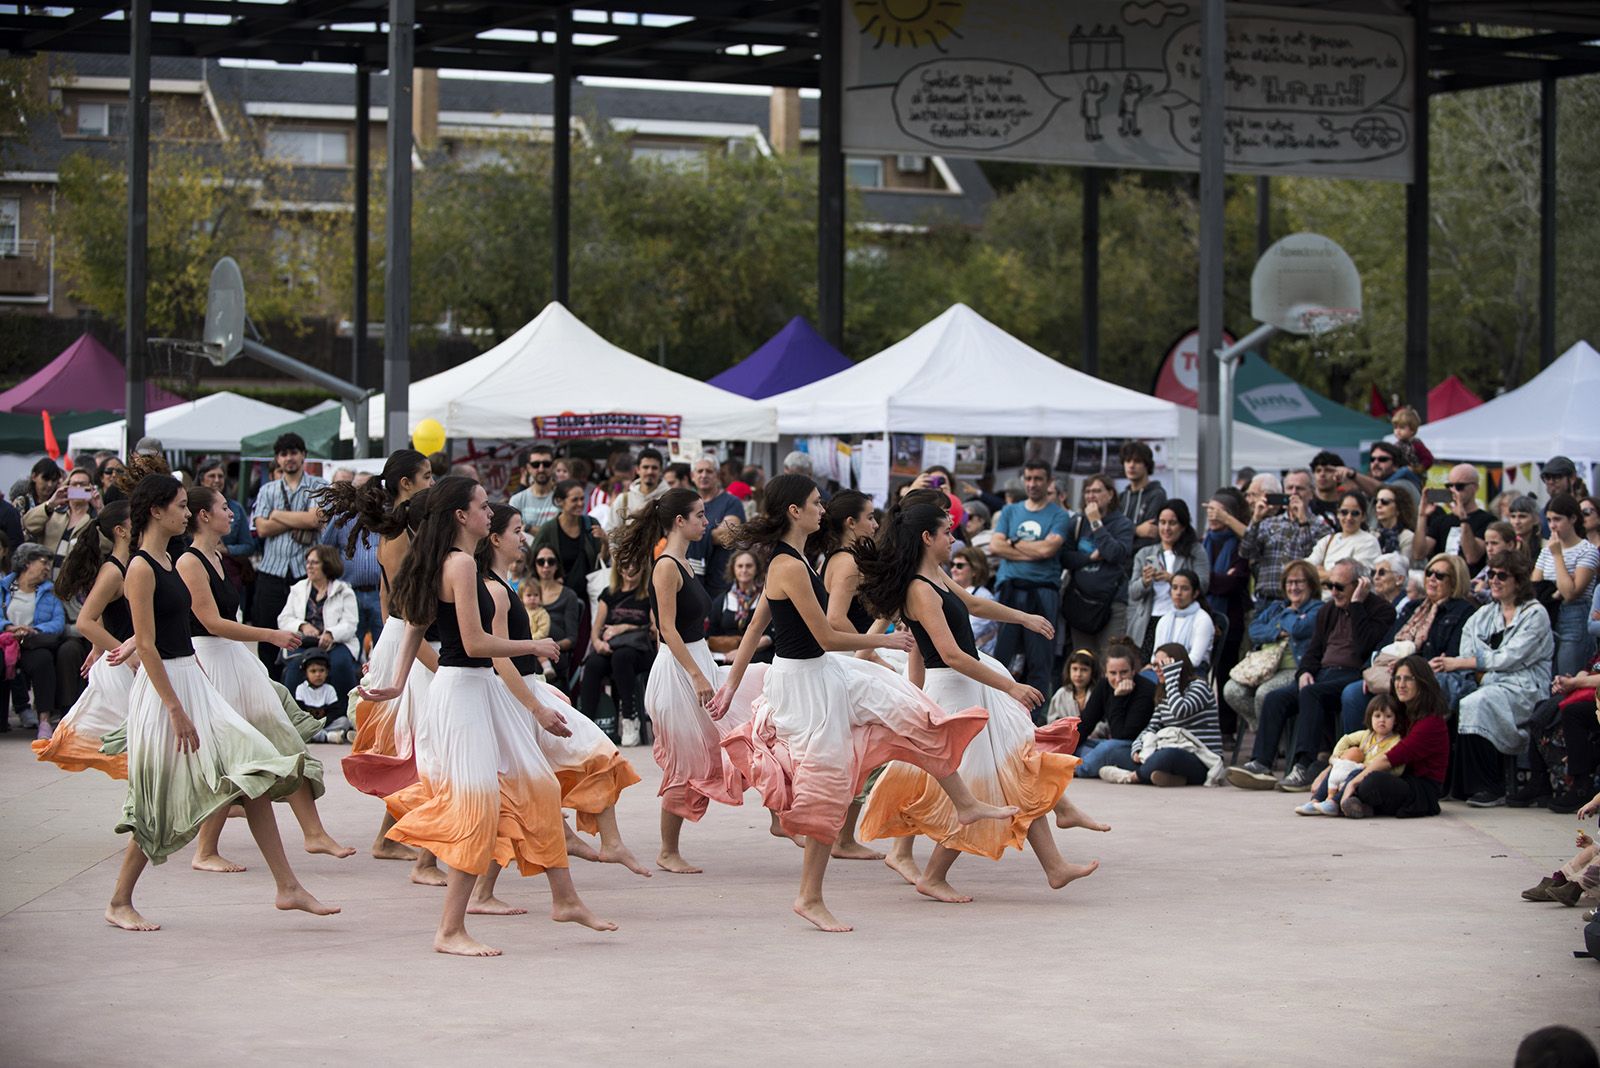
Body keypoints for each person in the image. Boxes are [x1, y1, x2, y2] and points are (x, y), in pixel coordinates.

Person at [713, 474, 1016, 932]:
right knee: (829, 787)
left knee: (913, 710)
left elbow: (757, 626)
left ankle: (965, 802)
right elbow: (825, 635)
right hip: (806, 684)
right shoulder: (789, 565)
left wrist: (732, 684)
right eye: (816, 503)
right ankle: (809, 896)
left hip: (824, 673)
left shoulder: (799, 558)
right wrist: (885, 641)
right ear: (795, 511)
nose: (823, 509)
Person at [360, 475, 612, 956]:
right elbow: (474, 644)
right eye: (482, 506)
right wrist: (532, 645)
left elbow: (415, 623)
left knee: (539, 786)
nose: (489, 512)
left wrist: (396, 681)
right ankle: (449, 929)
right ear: (462, 516)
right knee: (478, 808)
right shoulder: (458, 564)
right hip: (464, 694)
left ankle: (565, 900)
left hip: (476, 691)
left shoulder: (451, 560)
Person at [105, 471, 338, 932]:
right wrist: (175, 708)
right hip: (165, 692)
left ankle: (287, 886)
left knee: (253, 773)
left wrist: (148, 650)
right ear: (156, 511)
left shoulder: (168, 560)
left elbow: (165, 623)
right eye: (179, 505)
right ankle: (118, 901)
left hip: (191, 679)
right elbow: (149, 644)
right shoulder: (141, 566)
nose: (185, 513)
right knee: (156, 803)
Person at [855, 499, 1102, 901]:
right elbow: (951, 655)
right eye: (947, 532)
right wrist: (1010, 687)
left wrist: (1023, 618)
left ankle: (1055, 866)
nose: (953, 539)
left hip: (967, 687)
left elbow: (973, 604)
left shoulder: (933, 575)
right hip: (952, 692)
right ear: (927, 537)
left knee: (1015, 768)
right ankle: (934, 876)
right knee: (979, 790)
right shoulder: (919, 590)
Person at [178, 485, 354, 870]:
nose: (232, 513)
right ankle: (205, 850)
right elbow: (210, 622)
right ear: (204, 516)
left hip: (232, 658)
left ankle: (313, 832)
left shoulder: (218, 555)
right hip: (211, 661)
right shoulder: (190, 562)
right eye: (224, 507)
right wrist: (270, 635)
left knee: (277, 738)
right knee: (235, 755)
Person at [477, 503, 650, 880]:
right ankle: (488, 887)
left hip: (526, 690)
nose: (523, 537)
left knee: (585, 756)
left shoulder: (505, 583)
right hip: (513, 698)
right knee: (525, 788)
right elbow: (497, 657)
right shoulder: (495, 590)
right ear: (495, 539)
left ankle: (601, 841)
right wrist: (536, 704)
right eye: (517, 531)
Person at [622, 489, 767, 873]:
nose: (707, 522)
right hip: (679, 671)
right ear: (679, 521)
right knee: (685, 762)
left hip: (696, 662)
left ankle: (779, 816)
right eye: (700, 516)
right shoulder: (667, 566)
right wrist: (697, 675)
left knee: (750, 717)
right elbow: (667, 629)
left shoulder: (685, 563)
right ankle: (667, 850)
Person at [314, 448, 441, 878]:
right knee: (422, 745)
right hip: (411, 643)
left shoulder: (402, 527)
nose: (432, 482)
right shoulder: (401, 533)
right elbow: (404, 604)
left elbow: (389, 601)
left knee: (415, 746)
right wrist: (423, 656)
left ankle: (390, 838)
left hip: (402, 639)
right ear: (406, 484)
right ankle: (416, 847)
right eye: (426, 476)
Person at [1230, 558, 1396, 791]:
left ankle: (1304, 765)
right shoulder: (1329, 609)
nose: (1333, 592)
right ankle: (1261, 764)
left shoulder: (1381, 610)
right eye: (1330, 585)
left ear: (1360, 584)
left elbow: (1365, 647)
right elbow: (1314, 649)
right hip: (1323, 673)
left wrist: (1357, 605)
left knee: (1312, 693)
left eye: (1340, 587)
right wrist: (1305, 671)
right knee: (1275, 698)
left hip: (1354, 674)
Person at [1438, 550, 1554, 807]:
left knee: (1477, 702)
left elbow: (1512, 656)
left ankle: (1489, 785)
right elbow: (1468, 649)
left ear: (1519, 581)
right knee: (1441, 696)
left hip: (1526, 687)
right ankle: (1444, 781)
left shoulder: (1535, 614)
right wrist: (1482, 662)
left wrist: (1477, 661)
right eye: (1491, 574)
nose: (1494, 581)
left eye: (1502, 576)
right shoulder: (1484, 614)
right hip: (1487, 682)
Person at [31, 502, 135, 774]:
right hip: (125, 667)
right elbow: (85, 620)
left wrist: (97, 648)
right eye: (136, 518)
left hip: (127, 662)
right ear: (121, 531)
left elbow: (100, 614)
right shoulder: (113, 571)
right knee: (134, 743)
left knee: (139, 745)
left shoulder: (128, 565)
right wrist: (125, 652)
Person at [1337, 553, 1475, 735]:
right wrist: (1373, 671)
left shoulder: (1464, 611)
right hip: (1391, 670)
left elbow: (1449, 656)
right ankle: (1356, 749)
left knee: (1403, 692)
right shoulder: (1413, 607)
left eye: (1440, 576)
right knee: (1353, 693)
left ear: (1455, 581)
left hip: (1424, 675)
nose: (1432, 579)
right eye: (1429, 573)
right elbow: (1385, 643)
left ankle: (1396, 750)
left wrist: (1406, 666)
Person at [990, 460, 1070, 698]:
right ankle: (997, 707)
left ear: (1049, 481)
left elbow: (1048, 550)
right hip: (1009, 589)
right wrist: (1033, 550)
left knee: (1039, 659)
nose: (1032, 484)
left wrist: (1013, 542)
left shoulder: (1059, 514)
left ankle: (1034, 714)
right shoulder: (1010, 511)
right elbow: (996, 546)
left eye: (1038, 479)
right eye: (1028, 478)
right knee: (1001, 658)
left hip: (1043, 592)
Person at [250, 433, 328, 676]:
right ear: (277, 459)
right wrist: (299, 518)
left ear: (303, 455)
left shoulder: (318, 485)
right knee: (268, 636)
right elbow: (262, 528)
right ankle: (271, 686)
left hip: (306, 574)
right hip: (271, 573)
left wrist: (277, 515)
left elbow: (315, 520)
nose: (289, 458)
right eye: (284, 454)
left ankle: (301, 687)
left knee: (306, 636)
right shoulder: (268, 489)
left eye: (294, 452)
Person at [1098, 643, 1225, 787]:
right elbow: (1152, 727)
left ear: (1177, 666)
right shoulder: (1163, 693)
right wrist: (1137, 748)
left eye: (1162, 665)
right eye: (1154, 665)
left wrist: (1171, 678)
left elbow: (1179, 711)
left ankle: (1132, 777)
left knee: (1168, 755)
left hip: (1202, 759)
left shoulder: (1199, 686)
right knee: (1116, 753)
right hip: (1170, 750)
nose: (1157, 670)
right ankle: (1171, 778)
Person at [1340, 656, 1451, 818]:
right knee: (1350, 767)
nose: (1401, 684)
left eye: (1408, 679)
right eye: (1397, 678)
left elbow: (1390, 759)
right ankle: (1350, 802)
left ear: (1422, 682)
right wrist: (1333, 768)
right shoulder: (1401, 712)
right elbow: (1368, 743)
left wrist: (1353, 782)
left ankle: (1349, 800)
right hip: (1399, 776)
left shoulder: (1431, 722)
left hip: (1421, 790)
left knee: (1372, 781)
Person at [1221, 560, 1323, 735]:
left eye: (1299, 582)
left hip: (1293, 669)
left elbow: (1298, 628)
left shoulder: (1317, 609)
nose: (1293, 587)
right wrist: (1278, 632)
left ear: (1311, 585)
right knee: (1232, 691)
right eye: (1289, 582)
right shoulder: (1277, 607)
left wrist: (1288, 614)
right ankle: (1268, 732)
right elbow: (1254, 630)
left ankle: (1268, 741)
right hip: (1263, 668)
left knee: (1264, 694)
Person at [276, 544, 361, 710]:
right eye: (307, 562)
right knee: (296, 665)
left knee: (340, 664)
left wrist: (331, 633)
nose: (309, 566)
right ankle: (294, 714)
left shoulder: (344, 591)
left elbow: (350, 624)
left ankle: (343, 713)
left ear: (327, 565)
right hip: (305, 642)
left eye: (314, 563)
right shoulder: (298, 589)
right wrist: (302, 625)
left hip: (336, 643)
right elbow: (284, 619)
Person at [1294, 694, 1407, 815]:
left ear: (1396, 720)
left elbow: (1396, 768)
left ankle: (1334, 802)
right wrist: (1337, 756)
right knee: (1336, 768)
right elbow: (1346, 739)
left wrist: (1369, 766)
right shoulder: (1367, 735)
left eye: (1388, 716)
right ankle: (1316, 800)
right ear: (1370, 717)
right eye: (1377, 716)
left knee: (1355, 772)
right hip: (1355, 768)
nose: (1382, 720)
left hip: (1372, 776)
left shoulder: (1396, 741)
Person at [578, 562, 654, 743]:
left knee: (622, 657)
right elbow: (595, 630)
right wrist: (598, 644)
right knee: (594, 663)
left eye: (635, 565)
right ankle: (586, 725)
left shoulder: (649, 594)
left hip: (639, 650)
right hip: (611, 648)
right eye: (625, 565)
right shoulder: (609, 593)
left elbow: (654, 629)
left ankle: (629, 718)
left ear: (643, 568)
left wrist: (625, 627)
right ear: (618, 568)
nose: (630, 569)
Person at [1062, 472, 1135, 658]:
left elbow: (1115, 554)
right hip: (1080, 602)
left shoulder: (1123, 524)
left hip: (1111, 604)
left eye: (1096, 491)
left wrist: (1095, 522)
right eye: (1087, 491)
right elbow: (1065, 558)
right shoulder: (1077, 522)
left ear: (1110, 494)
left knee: (1109, 659)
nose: (1091, 496)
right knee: (1083, 660)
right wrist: (1090, 558)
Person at [1126, 500, 1209, 658]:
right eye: (1162, 522)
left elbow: (1203, 584)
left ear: (1183, 526)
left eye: (1172, 523)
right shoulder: (1145, 553)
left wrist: (1172, 579)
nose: (1166, 528)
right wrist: (1145, 581)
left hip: (1181, 620)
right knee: (1147, 666)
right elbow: (1133, 593)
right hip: (1148, 621)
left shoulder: (1195, 551)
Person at [2, 542, 65, 734]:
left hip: (32, 644)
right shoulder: (4, 587)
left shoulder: (50, 591)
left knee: (43, 660)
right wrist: (9, 627)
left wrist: (33, 629)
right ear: (27, 563)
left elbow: (58, 622)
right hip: (6, 643)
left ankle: (44, 720)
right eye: (43, 562)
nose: (47, 568)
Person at [1238, 471, 1325, 607]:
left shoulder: (1321, 526)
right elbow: (1246, 552)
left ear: (1311, 493)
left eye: (1300, 488)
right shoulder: (1268, 523)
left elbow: (1311, 558)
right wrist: (1255, 519)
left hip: (1300, 602)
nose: (1294, 493)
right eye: (1290, 488)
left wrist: (1303, 522)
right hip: (1266, 600)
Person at [1071, 640, 1157, 778]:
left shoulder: (1145, 690)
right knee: (1082, 745)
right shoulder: (1103, 685)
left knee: (1107, 749)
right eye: (1113, 673)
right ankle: (1095, 764)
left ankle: (1077, 769)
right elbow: (1086, 723)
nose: (1118, 679)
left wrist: (1118, 698)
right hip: (1114, 744)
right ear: (1105, 673)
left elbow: (1121, 735)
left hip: (1136, 749)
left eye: (1124, 672)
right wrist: (1065, 747)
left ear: (1133, 671)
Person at [1535, 493, 1599, 676]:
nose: (1552, 525)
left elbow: (1571, 593)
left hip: (1574, 617)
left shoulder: (1587, 550)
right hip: (1548, 615)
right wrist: (1557, 591)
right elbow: (1535, 586)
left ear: (1572, 519)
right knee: (1548, 677)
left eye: (1557, 519)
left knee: (1566, 675)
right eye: (1549, 520)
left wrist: (1557, 555)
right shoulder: (1546, 550)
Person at [1203, 487, 1251, 701]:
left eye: (1219, 511)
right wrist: (1216, 578)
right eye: (1210, 510)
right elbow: (1195, 579)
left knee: (1225, 673)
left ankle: (1227, 721)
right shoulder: (1205, 541)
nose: (1213, 516)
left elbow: (1234, 582)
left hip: (1232, 617)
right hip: (1205, 615)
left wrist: (1206, 579)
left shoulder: (1241, 544)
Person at [196, 458, 256, 613]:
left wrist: (227, 550)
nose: (217, 480)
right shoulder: (190, 508)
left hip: (230, 575)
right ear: (201, 479)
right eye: (212, 475)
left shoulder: (235, 508)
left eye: (221, 476)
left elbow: (249, 546)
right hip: (199, 571)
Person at [531, 479, 606, 596]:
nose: (580, 503)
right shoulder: (548, 529)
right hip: (557, 596)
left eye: (582, 499)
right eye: (574, 500)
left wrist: (605, 542)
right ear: (560, 501)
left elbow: (601, 560)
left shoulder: (591, 524)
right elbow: (532, 560)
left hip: (589, 594)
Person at [23, 465, 100, 577]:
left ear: (91, 488)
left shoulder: (95, 519)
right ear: (67, 487)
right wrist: (50, 504)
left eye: (83, 485)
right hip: (46, 580)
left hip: (77, 582)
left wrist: (99, 509)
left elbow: (106, 545)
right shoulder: (54, 513)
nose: (78, 488)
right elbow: (28, 524)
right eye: (74, 484)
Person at [688, 456, 744, 604]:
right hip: (692, 580)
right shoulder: (686, 503)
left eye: (709, 471)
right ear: (692, 476)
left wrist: (690, 532)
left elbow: (727, 534)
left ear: (717, 475)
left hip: (722, 581)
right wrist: (713, 531)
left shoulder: (732, 502)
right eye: (700, 471)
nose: (704, 475)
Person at [1416, 463, 1492, 574]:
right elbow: (1418, 554)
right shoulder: (1441, 521)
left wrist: (1463, 519)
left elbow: (1471, 557)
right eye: (1449, 486)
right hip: (1441, 578)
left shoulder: (1488, 520)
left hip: (1469, 580)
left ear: (1475, 488)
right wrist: (1422, 516)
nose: (1453, 491)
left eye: (1459, 486)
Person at [532, 545, 584, 692]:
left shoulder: (569, 595)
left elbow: (572, 639)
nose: (546, 566)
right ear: (534, 564)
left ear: (557, 565)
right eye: (541, 561)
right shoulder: (527, 591)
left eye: (551, 561)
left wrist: (549, 647)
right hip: (529, 648)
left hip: (556, 652)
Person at [1304, 490, 1381, 586]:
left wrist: (1321, 573)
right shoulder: (1328, 540)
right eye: (1344, 512)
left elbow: (1358, 579)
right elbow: (1305, 569)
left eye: (1355, 513)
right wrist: (1332, 575)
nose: (1349, 518)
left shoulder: (1369, 542)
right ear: (1338, 514)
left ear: (1363, 516)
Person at [1151, 569, 1215, 671]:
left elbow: (1194, 660)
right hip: (1163, 668)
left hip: (1192, 672)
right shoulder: (1165, 619)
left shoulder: (1203, 620)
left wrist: (1168, 665)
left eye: (1185, 589)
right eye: (1174, 588)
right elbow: (1155, 656)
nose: (1178, 593)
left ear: (1195, 593)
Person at [1118, 441, 1166, 552]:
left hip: (1143, 559)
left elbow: (1150, 535)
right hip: (1119, 558)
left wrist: (1119, 543)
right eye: (1127, 461)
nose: (1131, 465)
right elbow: (1111, 531)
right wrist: (1136, 530)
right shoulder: (1121, 497)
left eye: (1137, 461)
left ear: (1147, 465)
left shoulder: (1157, 495)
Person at [950, 546, 999, 655]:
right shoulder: (949, 592)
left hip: (981, 656)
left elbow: (970, 633)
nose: (953, 569)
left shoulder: (984, 597)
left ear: (975, 570)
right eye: (952, 565)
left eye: (959, 566)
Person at [607, 446, 666, 532]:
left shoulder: (669, 498)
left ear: (661, 470)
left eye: (654, 468)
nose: (650, 472)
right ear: (637, 470)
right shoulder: (623, 499)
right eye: (645, 467)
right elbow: (611, 531)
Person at [294, 656, 351, 743]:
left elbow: (335, 712)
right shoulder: (301, 688)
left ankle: (316, 736)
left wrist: (320, 725)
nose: (318, 674)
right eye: (313, 671)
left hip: (325, 725)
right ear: (306, 673)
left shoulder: (329, 689)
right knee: (296, 727)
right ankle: (327, 736)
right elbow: (300, 712)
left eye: (321, 670)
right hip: (308, 725)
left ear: (327, 672)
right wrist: (312, 725)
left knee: (344, 721)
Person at [1343, 441, 1420, 505]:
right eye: (1372, 459)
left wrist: (1353, 475)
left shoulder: (1405, 484)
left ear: (1396, 465)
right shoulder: (1368, 488)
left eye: (1382, 459)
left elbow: (1382, 490)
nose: (1375, 463)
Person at [509, 443, 560, 530]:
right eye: (535, 464)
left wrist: (528, 528)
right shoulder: (517, 500)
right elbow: (513, 532)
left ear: (553, 467)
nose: (541, 469)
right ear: (528, 468)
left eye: (546, 464)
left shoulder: (562, 498)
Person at [1045, 649, 1098, 724]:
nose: (1078, 674)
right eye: (1075, 669)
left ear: (1093, 672)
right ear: (1069, 670)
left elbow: (1104, 723)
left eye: (1084, 670)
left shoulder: (1097, 694)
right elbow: (1052, 722)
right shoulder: (1061, 694)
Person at [1369, 484, 1417, 560]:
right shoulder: (1372, 535)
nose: (1378, 505)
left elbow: (1403, 565)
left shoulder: (1408, 537)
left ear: (1398, 508)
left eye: (1385, 501)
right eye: (1376, 501)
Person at [1308, 451, 1347, 525]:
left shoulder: (1346, 506)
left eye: (1328, 470)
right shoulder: (1307, 506)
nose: (1322, 474)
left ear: (1339, 474)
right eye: (1318, 471)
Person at [1508, 494, 1545, 562]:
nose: (1516, 522)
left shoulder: (1545, 547)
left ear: (1536, 519)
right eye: (1513, 516)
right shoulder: (1506, 545)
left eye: (1522, 516)